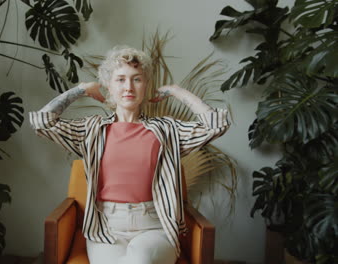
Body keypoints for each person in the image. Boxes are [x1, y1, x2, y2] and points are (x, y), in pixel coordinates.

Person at [29, 46, 230, 264]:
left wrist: (178, 92)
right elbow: (42, 121)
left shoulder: (166, 130)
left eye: (137, 79)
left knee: (141, 260)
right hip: (105, 230)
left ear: (146, 85)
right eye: (120, 79)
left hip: (155, 226)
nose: (129, 87)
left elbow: (215, 126)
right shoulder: (92, 130)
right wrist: (80, 90)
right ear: (108, 86)